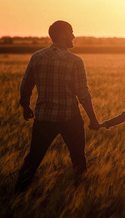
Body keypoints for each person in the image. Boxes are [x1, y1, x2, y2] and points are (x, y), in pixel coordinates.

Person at [15, 20, 100, 193]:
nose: (74, 36)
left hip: (44, 118)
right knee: (78, 158)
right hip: (70, 117)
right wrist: (93, 118)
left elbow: (26, 85)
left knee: (34, 157)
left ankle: (18, 191)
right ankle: (81, 193)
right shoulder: (75, 61)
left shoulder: (37, 56)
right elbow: (82, 93)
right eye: (71, 32)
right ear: (62, 35)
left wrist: (25, 105)